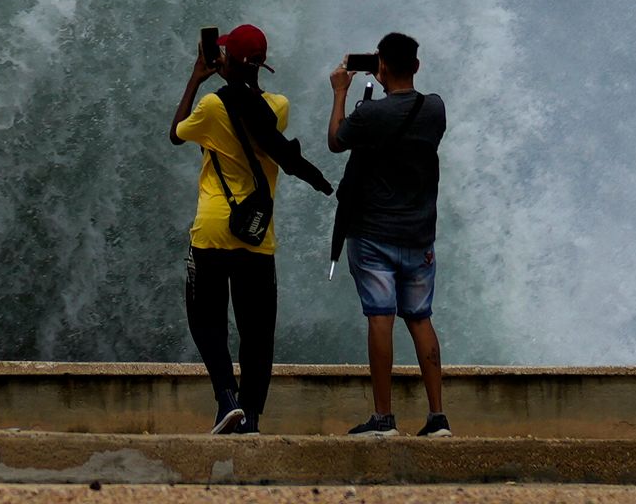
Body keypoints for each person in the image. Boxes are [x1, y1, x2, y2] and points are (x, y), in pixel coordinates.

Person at [168, 23, 332, 434]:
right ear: (262, 64)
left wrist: (197, 76)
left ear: (225, 61)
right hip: (256, 234)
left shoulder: (211, 106)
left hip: (211, 229)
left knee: (206, 320)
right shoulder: (278, 106)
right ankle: (251, 417)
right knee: (257, 332)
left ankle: (226, 397)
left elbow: (176, 133)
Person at [327, 33, 451, 435]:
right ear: (416, 66)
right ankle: (438, 417)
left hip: (373, 235)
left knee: (381, 317)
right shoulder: (435, 109)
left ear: (379, 67)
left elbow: (336, 141)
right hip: (419, 236)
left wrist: (341, 93)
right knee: (420, 320)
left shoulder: (370, 116)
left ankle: (383, 418)